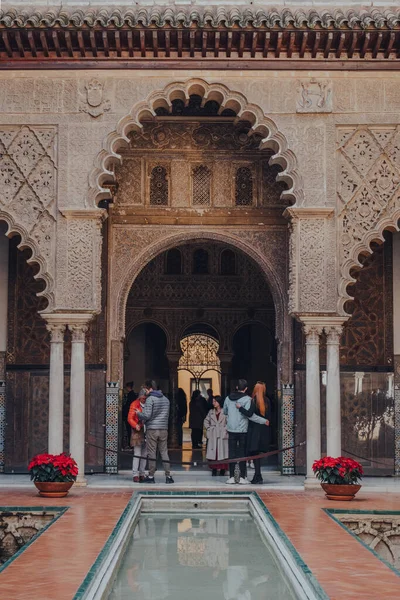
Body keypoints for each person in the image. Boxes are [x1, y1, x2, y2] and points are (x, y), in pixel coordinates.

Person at [223, 378, 268, 485]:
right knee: (242, 453)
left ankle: (232, 477)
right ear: (246, 388)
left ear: (237, 387)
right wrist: (263, 420)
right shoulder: (248, 400)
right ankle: (242, 477)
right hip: (243, 430)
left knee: (232, 453)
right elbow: (250, 415)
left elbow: (225, 411)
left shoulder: (228, 399)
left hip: (231, 429)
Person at [136, 379, 174, 484]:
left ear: (150, 389)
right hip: (163, 429)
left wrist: (139, 413)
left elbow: (147, 415)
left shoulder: (150, 399)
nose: (145, 392)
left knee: (151, 453)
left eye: (146, 389)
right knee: (164, 452)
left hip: (152, 429)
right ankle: (168, 476)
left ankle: (151, 476)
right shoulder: (166, 400)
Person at [238, 381, 270, 484]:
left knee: (255, 454)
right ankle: (258, 475)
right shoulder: (267, 401)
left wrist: (240, 408)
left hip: (254, 431)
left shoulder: (254, 401)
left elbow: (249, 414)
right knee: (258, 454)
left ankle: (258, 476)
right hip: (264, 430)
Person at [204, 395, 228, 476]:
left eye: (215, 401)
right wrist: (209, 429)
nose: (213, 403)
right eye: (213, 401)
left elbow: (229, 422)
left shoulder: (225, 411)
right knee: (214, 451)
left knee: (222, 452)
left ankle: (222, 469)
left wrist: (225, 430)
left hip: (222, 434)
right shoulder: (211, 412)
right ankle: (214, 469)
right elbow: (206, 421)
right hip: (213, 434)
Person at [127, 391, 147, 482]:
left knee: (145, 454)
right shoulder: (134, 404)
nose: (144, 399)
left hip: (147, 431)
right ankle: (135, 474)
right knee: (137, 453)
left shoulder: (149, 403)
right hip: (137, 431)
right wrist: (135, 425)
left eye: (145, 397)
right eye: (143, 397)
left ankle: (142, 473)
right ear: (139, 397)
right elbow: (130, 418)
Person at [122, 381, 137, 448]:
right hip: (131, 415)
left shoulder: (131, 395)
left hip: (129, 415)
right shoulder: (132, 395)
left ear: (128, 387)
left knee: (129, 430)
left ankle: (130, 444)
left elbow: (128, 405)